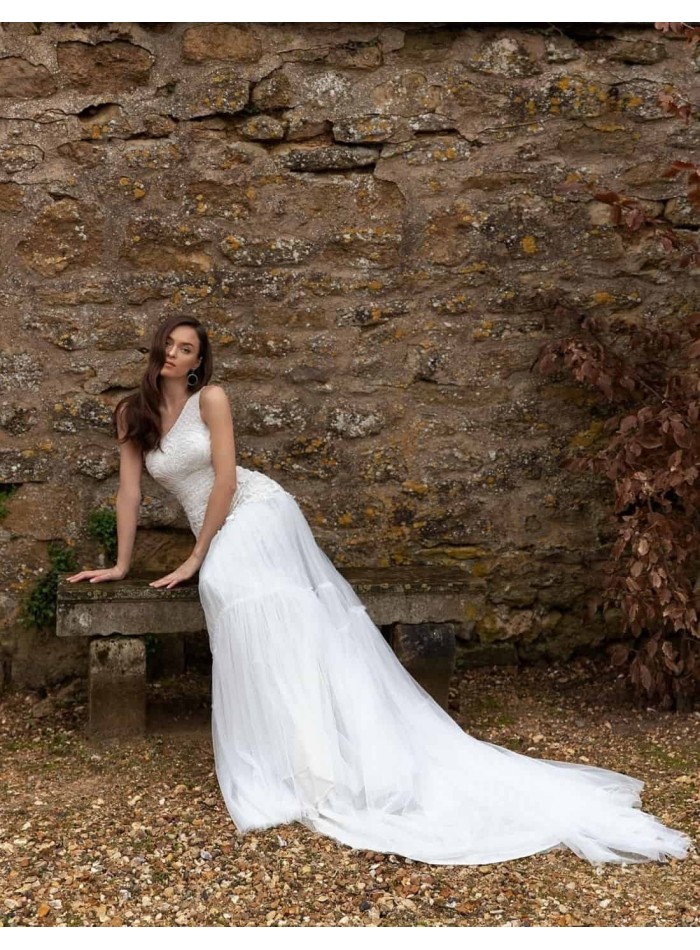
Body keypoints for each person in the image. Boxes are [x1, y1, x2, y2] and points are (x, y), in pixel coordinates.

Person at [67, 315, 694, 867]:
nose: (176, 355)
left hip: (254, 511)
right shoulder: (133, 413)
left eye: (188, 348)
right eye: (170, 346)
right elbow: (131, 493)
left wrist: (199, 555)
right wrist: (121, 566)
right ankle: (296, 749)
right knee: (247, 604)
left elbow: (227, 480)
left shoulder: (214, 400)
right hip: (215, 524)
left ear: (201, 360)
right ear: (157, 351)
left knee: (235, 587)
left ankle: (323, 749)